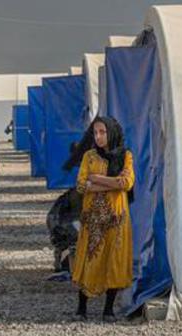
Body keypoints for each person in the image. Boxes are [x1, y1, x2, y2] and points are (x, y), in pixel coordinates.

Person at [71, 116, 135, 322]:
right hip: (94, 218)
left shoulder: (125, 156)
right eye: (95, 133)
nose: (98, 137)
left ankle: (108, 309)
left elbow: (126, 182)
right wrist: (111, 184)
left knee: (113, 259)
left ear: (112, 132)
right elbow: (81, 185)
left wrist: (97, 179)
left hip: (117, 218)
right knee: (90, 258)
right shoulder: (89, 156)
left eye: (102, 132)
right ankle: (82, 307)